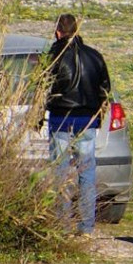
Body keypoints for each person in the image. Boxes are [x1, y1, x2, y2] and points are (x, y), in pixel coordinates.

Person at [46, 13, 111, 235]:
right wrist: (99, 116)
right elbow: (105, 89)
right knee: (87, 172)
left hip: (60, 119)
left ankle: (61, 224)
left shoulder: (54, 55)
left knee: (60, 174)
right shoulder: (94, 56)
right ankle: (86, 226)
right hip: (86, 120)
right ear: (77, 31)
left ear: (58, 33)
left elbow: (41, 86)